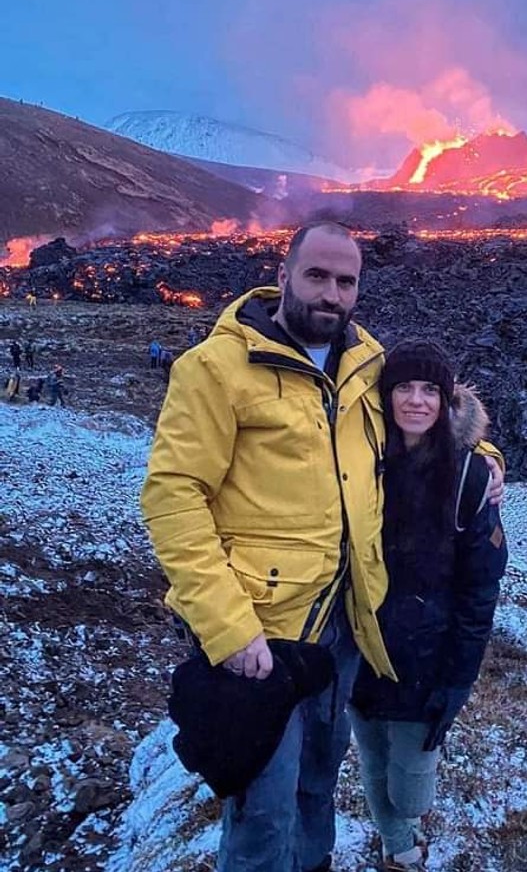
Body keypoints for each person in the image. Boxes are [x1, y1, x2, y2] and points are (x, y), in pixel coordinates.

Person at [140, 222, 504, 872]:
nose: (331, 293)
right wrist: (228, 628)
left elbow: (426, 420)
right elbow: (173, 498)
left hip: (343, 629)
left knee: (317, 782)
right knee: (264, 808)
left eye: (346, 281)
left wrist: (485, 460)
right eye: (316, 276)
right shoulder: (216, 370)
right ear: (283, 275)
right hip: (261, 637)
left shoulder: (365, 363)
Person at [348, 342, 507, 871]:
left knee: (411, 782)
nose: (416, 401)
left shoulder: (468, 477)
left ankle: (406, 827)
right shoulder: (359, 461)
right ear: (385, 396)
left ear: (447, 400)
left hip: (427, 661)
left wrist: (458, 680)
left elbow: (479, 591)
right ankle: (401, 850)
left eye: (429, 390)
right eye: (403, 388)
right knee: (372, 758)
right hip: (360, 645)